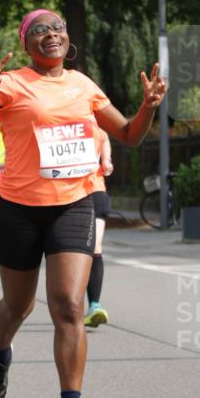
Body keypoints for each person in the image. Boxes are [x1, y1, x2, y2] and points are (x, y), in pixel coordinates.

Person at [0, 9, 166, 398]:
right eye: (39, 30)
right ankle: (1, 354)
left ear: (68, 40)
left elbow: (130, 135)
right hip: (18, 209)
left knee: (68, 305)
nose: (51, 35)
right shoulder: (10, 84)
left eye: (58, 28)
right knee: (18, 307)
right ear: (26, 45)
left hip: (74, 204)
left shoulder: (83, 85)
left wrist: (148, 107)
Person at [84, 129, 113, 328]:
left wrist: (106, 160)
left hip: (95, 191)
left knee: (95, 248)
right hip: (64, 195)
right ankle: (73, 303)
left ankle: (94, 305)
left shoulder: (96, 126)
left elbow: (104, 137)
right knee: (77, 253)